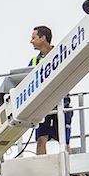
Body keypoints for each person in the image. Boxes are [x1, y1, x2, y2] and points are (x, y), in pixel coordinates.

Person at [29, 25, 72, 155]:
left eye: (33, 37)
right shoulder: (35, 61)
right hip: (42, 102)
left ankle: (69, 165)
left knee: (64, 139)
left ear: (43, 38)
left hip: (61, 99)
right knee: (41, 138)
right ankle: (41, 169)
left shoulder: (61, 54)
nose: (31, 41)